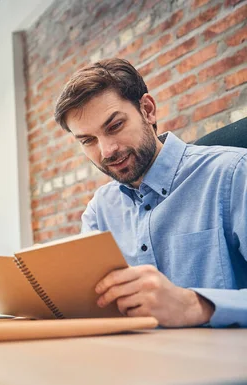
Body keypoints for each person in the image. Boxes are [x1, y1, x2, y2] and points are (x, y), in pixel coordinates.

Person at [53, 58, 247, 328]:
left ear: (147, 109)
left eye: (115, 126)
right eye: (88, 140)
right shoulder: (100, 210)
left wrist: (194, 304)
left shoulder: (234, 173)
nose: (107, 151)